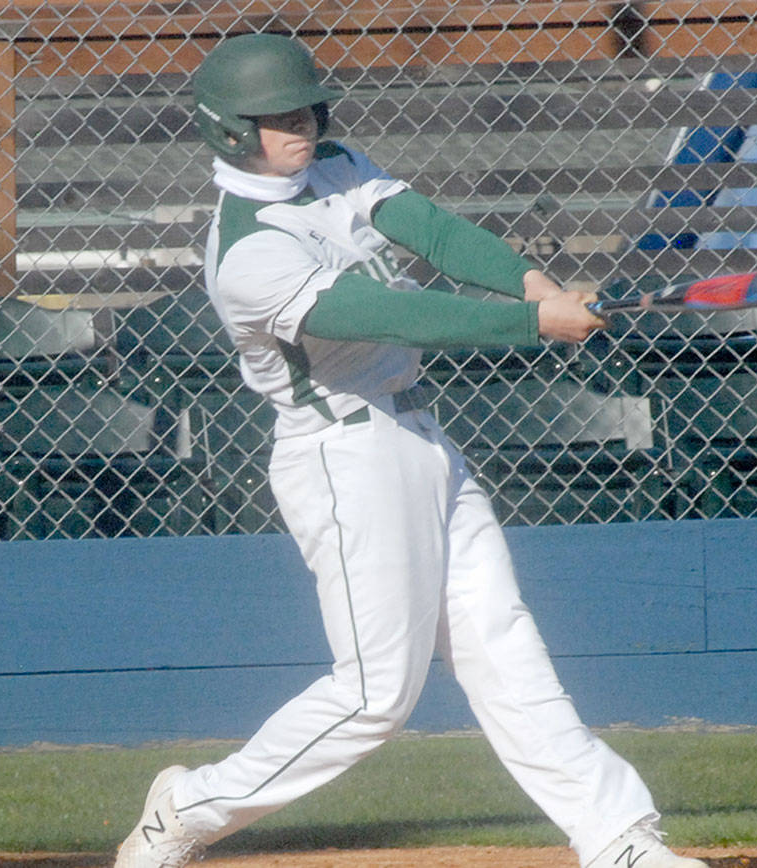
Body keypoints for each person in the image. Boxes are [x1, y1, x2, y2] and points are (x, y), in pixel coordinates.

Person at [115, 33, 707, 868]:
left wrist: (534, 283)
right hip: (341, 456)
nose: (301, 126)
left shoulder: (337, 165)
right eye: (277, 116)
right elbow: (394, 316)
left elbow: (433, 230)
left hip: (420, 437)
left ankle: (617, 837)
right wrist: (533, 324)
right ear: (228, 130)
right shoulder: (248, 252)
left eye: (307, 109)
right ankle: (189, 807)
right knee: (374, 694)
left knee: (502, 641)